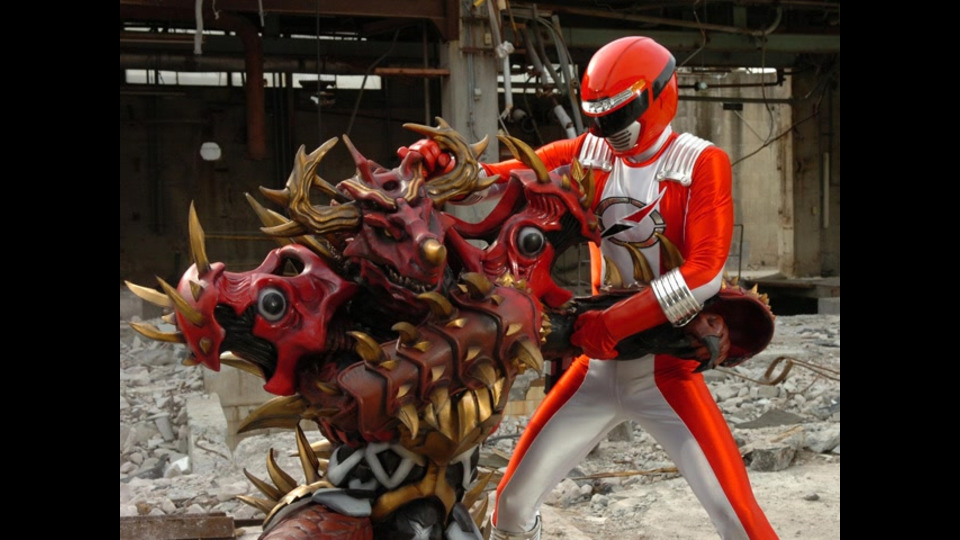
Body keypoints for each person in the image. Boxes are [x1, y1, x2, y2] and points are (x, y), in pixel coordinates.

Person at [402, 36, 778, 540]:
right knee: (511, 509)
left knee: (738, 519)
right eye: (598, 117)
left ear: (659, 94)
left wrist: (614, 322)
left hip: (665, 370)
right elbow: (496, 182)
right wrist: (443, 165)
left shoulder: (698, 163)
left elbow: (704, 272)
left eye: (619, 113)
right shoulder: (588, 154)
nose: (609, 129)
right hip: (596, 369)